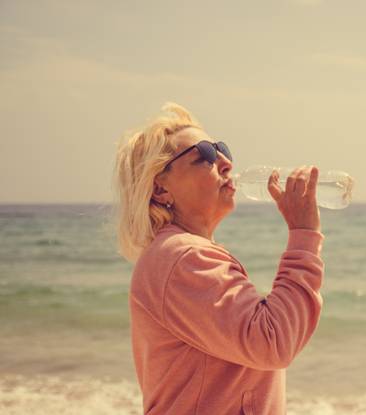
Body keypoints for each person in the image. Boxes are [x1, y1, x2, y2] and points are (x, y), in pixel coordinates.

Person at [111, 102, 324, 414]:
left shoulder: (177, 253)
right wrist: (304, 232)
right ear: (160, 189)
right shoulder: (183, 256)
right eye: (204, 156)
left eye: (222, 150)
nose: (225, 162)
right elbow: (272, 342)